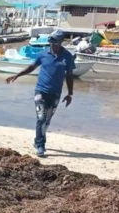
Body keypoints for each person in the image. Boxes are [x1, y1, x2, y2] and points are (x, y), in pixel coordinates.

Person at [5, 29, 75, 158]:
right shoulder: (43, 54)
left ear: (60, 42)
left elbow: (69, 76)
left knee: (47, 121)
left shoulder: (67, 57)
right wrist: (17, 75)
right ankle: (40, 145)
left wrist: (70, 94)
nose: (51, 44)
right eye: (50, 41)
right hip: (40, 91)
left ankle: (37, 140)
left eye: (54, 41)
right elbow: (32, 67)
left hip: (55, 93)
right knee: (41, 118)